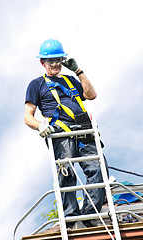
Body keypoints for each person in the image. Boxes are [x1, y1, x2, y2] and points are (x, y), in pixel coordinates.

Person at [24, 39, 108, 229]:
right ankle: (70, 219)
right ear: (42, 63)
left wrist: (78, 71)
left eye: (58, 60)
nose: (55, 64)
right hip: (61, 134)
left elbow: (91, 95)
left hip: (85, 131)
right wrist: (39, 126)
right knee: (66, 174)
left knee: (99, 170)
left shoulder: (71, 80)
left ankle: (90, 214)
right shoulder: (37, 85)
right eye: (51, 61)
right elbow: (28, 116)